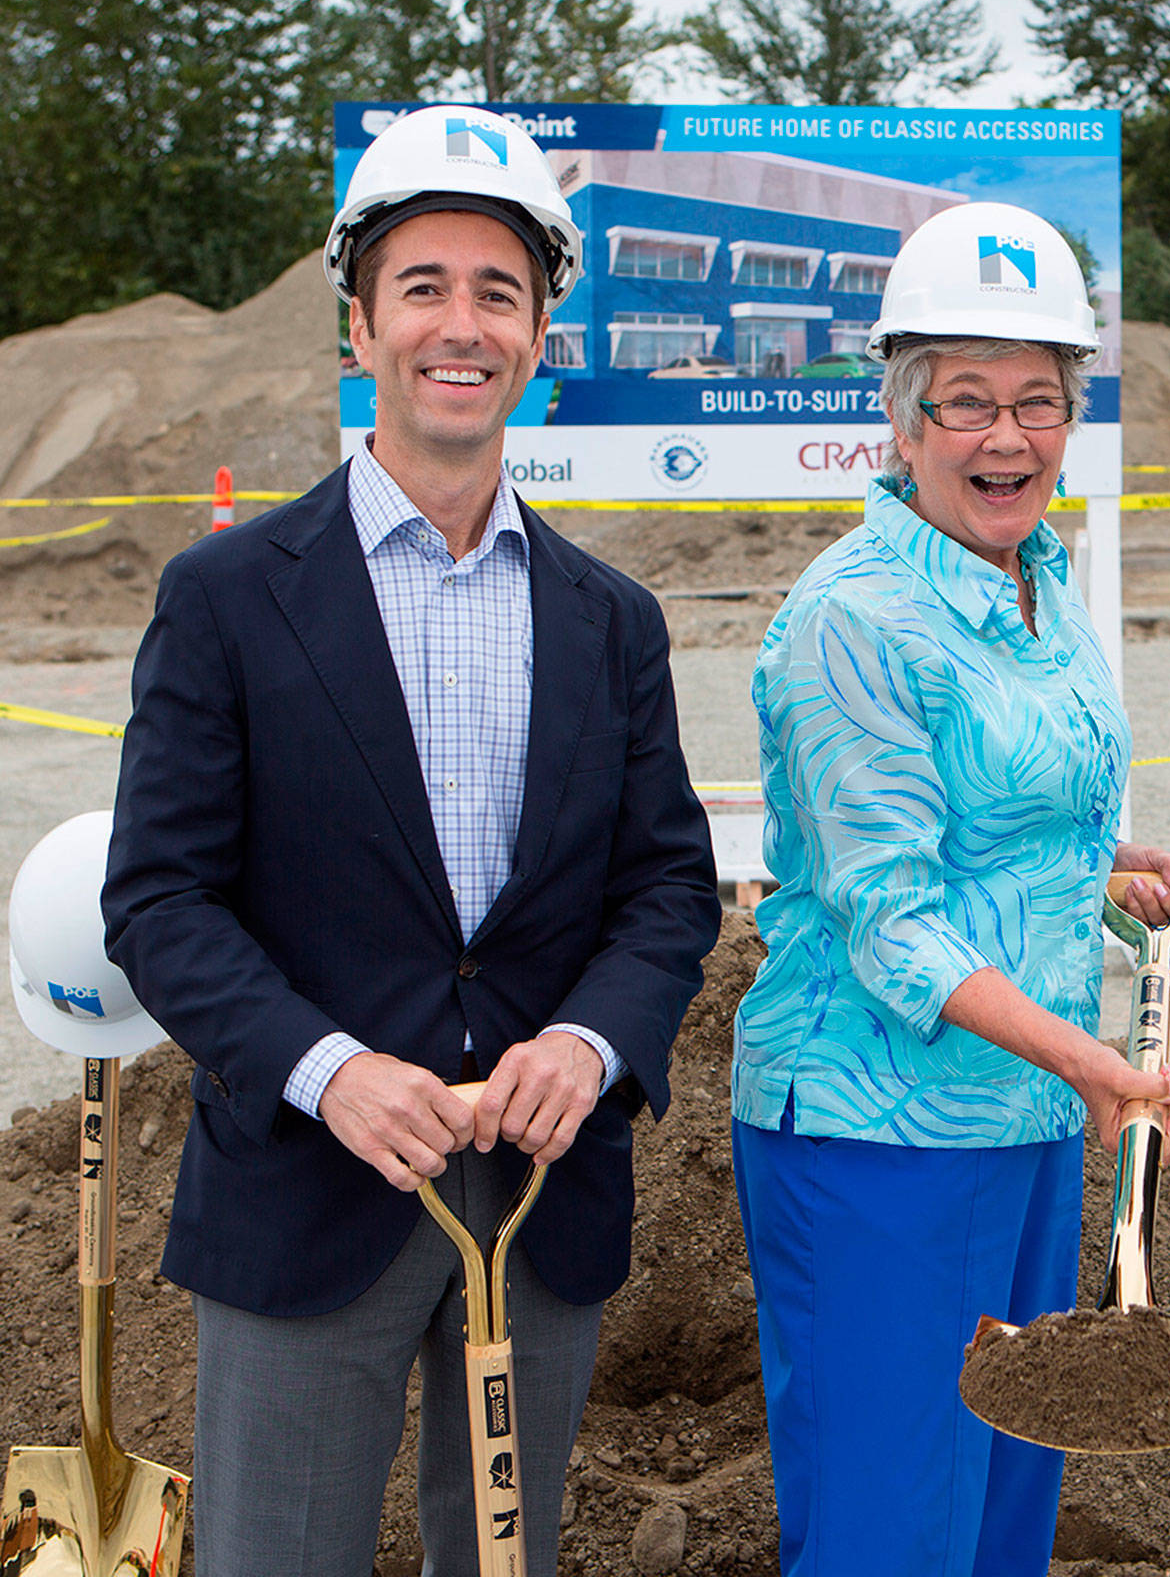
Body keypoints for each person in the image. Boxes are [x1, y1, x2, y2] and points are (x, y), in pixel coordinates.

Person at [102, 103, 720, 1577]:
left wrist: (590, 1046)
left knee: (504, 1557)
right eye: (423, 287)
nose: (462, 325)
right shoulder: (227, 598)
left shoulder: (611, 620)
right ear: (361, 324)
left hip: (540, 1195)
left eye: (498, 293)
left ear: (540, 334)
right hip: (312, 1190)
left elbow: (665, 886)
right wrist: (330, 1072)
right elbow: (162, 900)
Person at [731, 202, 1170, 1577]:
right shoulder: (854, 617)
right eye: (968, 402)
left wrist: (1096, 866)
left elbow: (992, 818)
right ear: (903, 419)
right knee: (892, 1529)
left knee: (1002, 1512)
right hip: (882, 1140)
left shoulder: (1037, 576)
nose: (1008, 437)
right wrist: (1101, 1068)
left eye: (1039, 401)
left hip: (1028, 1116)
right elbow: (892, 921)